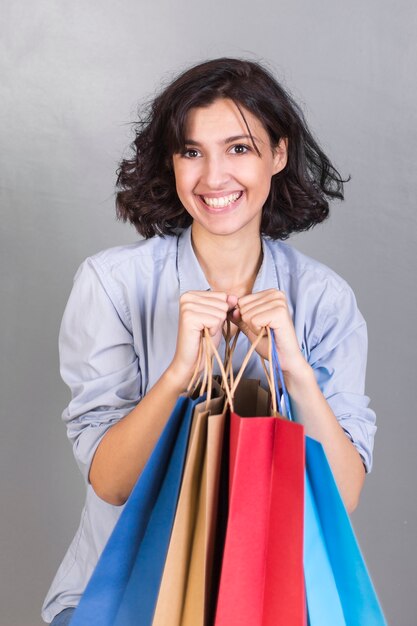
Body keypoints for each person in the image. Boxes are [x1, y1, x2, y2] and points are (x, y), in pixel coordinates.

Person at [42, 58, 376, 625]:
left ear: (279, 154)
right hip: (123, 599)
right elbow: (112, 483)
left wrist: (295, 370)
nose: (214, 177)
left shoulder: (324, 300)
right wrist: (175, 373)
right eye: (191, 152)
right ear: (171, 164)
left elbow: (340, 499)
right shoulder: (113, 284)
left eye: (240, 148)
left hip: (272, 601)